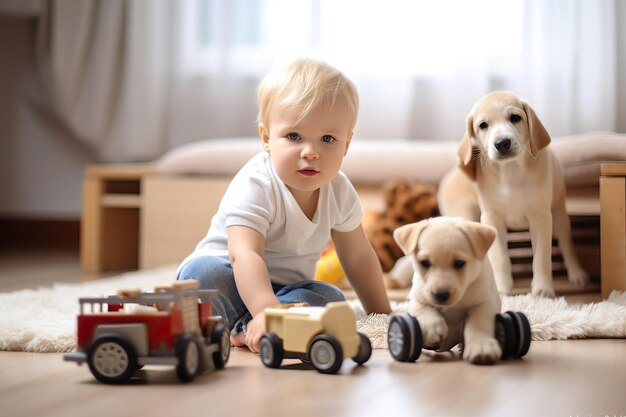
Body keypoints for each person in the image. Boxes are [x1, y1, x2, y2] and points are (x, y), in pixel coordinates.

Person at [177, 58, 391, 353]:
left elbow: (357, 256)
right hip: (231, 278)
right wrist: (267, 311)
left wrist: (382, 313)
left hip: (289, 290)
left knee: (329, 299)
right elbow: (245, 253)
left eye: (328, 138)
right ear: (266, 138)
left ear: (346, 144)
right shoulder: (256, 184)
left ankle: (246, 330)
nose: (311, 152)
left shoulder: (339, 191)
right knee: (200, 274)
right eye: (293, 136)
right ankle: (256, 325)